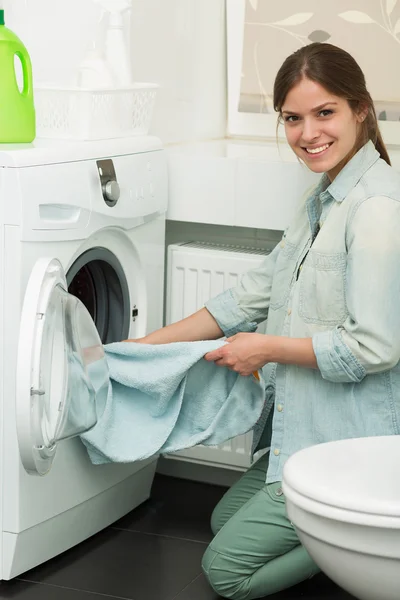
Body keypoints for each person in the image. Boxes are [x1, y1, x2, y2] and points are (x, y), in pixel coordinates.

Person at [126, 42, 400, 599]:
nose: (307, 134)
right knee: (224, 522)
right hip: (304, 435)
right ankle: (344, 544)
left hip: (349, 440)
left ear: (361, 110)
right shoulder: (321, 200)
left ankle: (362, 547)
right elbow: (247, 297)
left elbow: (376, 348)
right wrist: (137, 350)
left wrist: (266, 349)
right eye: (292, 119)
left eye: (325, 113)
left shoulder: (373, 209)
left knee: (227, 571)